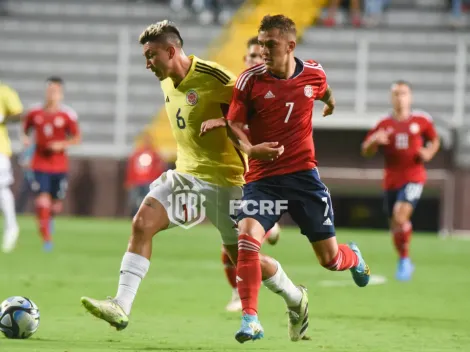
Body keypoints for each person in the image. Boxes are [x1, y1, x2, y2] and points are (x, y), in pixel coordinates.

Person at [80, 20, 310, 343]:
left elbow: (258, 109)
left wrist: (238, 134)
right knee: (142, 223)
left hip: (229, 182)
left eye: (151, 56)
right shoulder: (166, 81)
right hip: (187, 176)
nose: (147, 64)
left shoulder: (214, 78)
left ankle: (295, 297)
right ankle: (121, 304)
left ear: (171, 51)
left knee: (242, 258)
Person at [224, 14, 370, 343]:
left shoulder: (315, 73)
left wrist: (330, 103)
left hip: (304, 179)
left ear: (290, 46)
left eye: (270, 45)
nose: (263, 51)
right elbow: (233, 125)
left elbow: (324, 91)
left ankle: (355, 257)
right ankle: (250, 319)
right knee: (246, 237)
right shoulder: (249, 81)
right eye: (260, 44)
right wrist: (250, 148)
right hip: (263, 179)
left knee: (330, 260)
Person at [221, 35, 281, 313]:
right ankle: (237, 293)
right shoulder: (234, 92)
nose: (254, 60)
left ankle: (244, 298)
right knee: (229, 245)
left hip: (262, 179)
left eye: (259, 56)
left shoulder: (273, 93)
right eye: (250, 57)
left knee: (238, 242)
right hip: (234, 178)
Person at [361, 81, 440, 281]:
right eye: (396, 94)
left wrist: (428, 152)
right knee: (395, 225)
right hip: (391, 180)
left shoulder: (422, 120)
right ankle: (404, 258)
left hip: (414, 177)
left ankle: (404, 261)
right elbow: (366, 150)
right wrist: (374, 142)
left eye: (403, 93)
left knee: (400, 216)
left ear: (410, 97)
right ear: (391, 98)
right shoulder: (384, 124)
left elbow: (435, 140)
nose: (400, 97)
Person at [23, 76, 81, 251]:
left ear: (61, 94)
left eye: (55, 91)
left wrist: (61, 144)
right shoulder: (35, 113)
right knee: (42, 201)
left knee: (55, 204)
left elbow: (77, 138)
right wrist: (26, 140)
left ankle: (49, 219)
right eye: (49, 90)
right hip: (39, 164)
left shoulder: (67, 115)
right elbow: (25, 130)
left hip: (59, 166)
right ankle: (46, 239)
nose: (52, 94)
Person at [0, 82, 23, 253]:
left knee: (2, 187)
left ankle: (11, 227)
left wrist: (3, 117)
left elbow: (18, 114)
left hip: (0, 148)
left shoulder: (4, 91)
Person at [125, 133, 166, 218]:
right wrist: (129, 181)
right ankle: (135, 216)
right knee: (135, 200)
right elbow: (131, 168)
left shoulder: (155, 154)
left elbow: (159, 169)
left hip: (149, 181)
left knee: (149, 200)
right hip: (137, 181)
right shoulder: (137, 153)